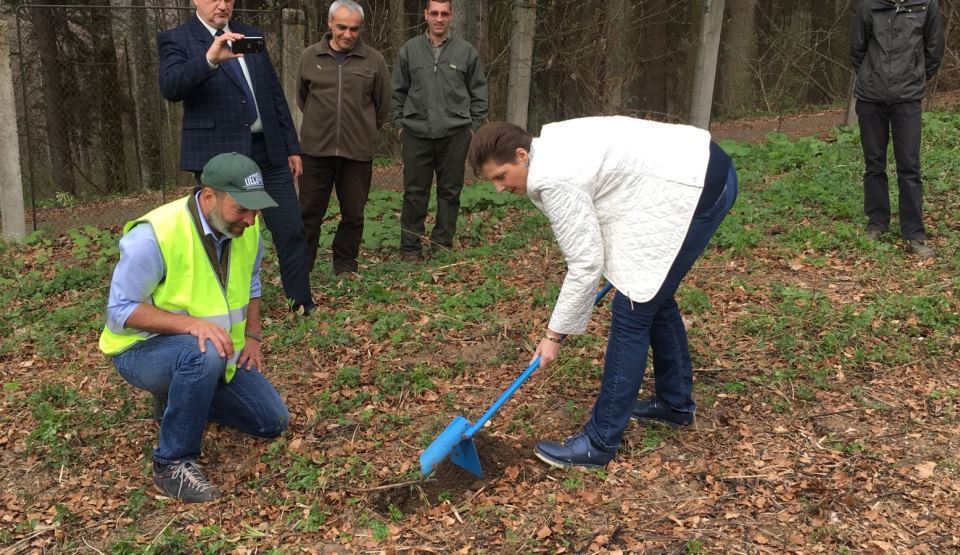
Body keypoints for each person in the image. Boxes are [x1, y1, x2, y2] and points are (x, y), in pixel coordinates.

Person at [467, 117, 738, 469]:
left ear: (522, 155)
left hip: (695, 189)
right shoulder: (548, 146)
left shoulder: (552, 177)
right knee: (650, 292)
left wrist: (554, 335)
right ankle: (674, 404)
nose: (499, 189)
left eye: (501, 176)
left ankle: (599, 443)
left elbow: (584, 263)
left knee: (632, 309)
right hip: (694, 169)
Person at [99, 153, 289, 503]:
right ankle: (172, 463)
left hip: (212, 354)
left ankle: (179, 397)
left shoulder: (247, 229)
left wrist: (252, 335)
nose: (250, 219)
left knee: (271, 420)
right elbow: (119, 311)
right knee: (201, 354)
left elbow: (252, 283)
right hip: (142, 352)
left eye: (256, 210)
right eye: (241, 209)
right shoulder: (155, 234)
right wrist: (190, 324)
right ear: (209, 196)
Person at [159, 0, 316, 313]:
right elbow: (171, 87)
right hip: (220, 156)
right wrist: (209, 60)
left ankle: (301, 304)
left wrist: (291, 146)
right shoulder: (178, 38)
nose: (223, 4)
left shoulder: (249, 35)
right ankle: (223, 307)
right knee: (221, 233)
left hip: (267, 150)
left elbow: (272, 92)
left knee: (291, 229)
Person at [296, 0, 391, 277]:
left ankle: (345, 265)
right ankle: (303, 266)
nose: (348, 34)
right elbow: (302, 98)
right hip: (315, 151)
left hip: (357, 153)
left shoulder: (374, 60)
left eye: (354, 29)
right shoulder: (309, 57)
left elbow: (382, 105)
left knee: (353, 214)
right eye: (342, 27)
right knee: (309, 213)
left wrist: (361, 129)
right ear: (329, 24)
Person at [392, 0, 488, 262]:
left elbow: (479, 94)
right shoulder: (410, 50)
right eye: (434, 13)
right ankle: (410, 248)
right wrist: (400, 126)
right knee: (414, 192)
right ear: (426, 15)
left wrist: (472, 128)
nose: (439, 18)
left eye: (444, 14)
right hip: (416, 133)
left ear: (451, 17)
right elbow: (397, 92)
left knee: (450, 192)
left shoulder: (465, 52)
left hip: (455, 134)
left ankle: (441, 245)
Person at [850, 0, 943, 259]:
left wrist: (914, 77)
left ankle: (914, 233)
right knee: (874, 164)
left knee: (909, 167)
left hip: (908, 99)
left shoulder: (927, 6)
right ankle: (877, 223)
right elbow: (857, 50)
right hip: (871, 98)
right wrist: (872, 77)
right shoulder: (869, 5)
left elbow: (934, 50)